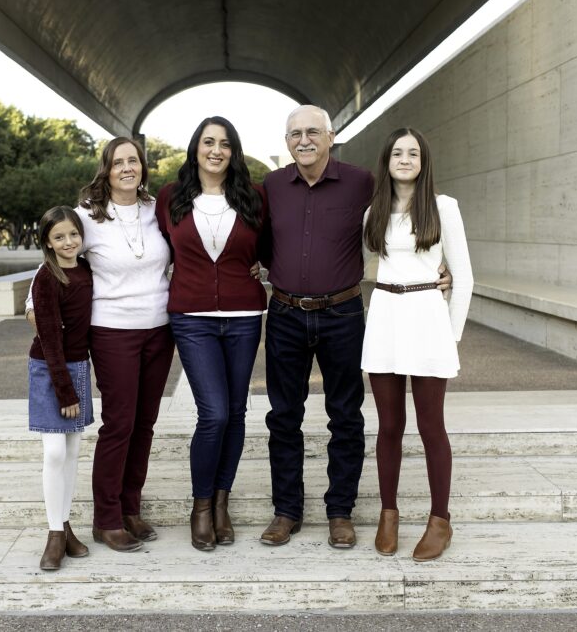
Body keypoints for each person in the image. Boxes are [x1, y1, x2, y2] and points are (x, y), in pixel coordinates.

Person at [259, 105, 450, 549]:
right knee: (283, 417)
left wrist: (442, 266)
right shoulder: (272, 185)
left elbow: (412, 208)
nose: (303, 140)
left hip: (343, 314)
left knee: (345, 416)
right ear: (286, 142)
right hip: (286, 312)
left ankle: (340, 512)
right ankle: (286, 510)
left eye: (312, 132)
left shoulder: (363, 182)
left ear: (330, 136)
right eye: (294, 134)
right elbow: (259, 239)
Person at [30, 138, 174, 552]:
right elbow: (53, 257)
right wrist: (32, 305)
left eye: (134, 160)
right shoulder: (86, 216)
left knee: (144, 424)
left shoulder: (154, 210)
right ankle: (106, 518)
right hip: (113, 332)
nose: (127, 168)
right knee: (120, 424)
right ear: (106, 170)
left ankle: (130, 507)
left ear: (143, 167)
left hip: (159, 331)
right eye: (118, 162)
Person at [155, 117, 267, 551]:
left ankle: (222, 502)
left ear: (233, 151)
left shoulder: (255, 197)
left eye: (224, 143)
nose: (216, 150)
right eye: (208, 142)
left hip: (243, 315)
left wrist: (266, 268)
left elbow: (275, 245)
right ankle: (201, 506)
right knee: (214, 413)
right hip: (192, 317)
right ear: (195, 148)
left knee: (236, 412)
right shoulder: (170, 197)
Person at [361, 128, 473, 562]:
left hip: (428, 318)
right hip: (386, 315)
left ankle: (439, 521)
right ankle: (388, 514)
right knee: (389, 425)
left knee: (431, 426)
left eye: (413, 153)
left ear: (424, 161)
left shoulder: (444, 208)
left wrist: (452, 333)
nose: (404, 159)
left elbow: (463, 277)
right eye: (397, 152)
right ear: (386, 160)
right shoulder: (374, 210)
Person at [28, 206, 95, 571]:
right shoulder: (46, 277)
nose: (68, 242)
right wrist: (65, 391)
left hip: (79, 368)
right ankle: (54, 534)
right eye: (59, 237)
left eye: (73, 234)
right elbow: (50, 338)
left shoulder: (86, 271)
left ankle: (66, 525)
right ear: (47, 244)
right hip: (49, 369)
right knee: (54, 451)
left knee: (71, 452)